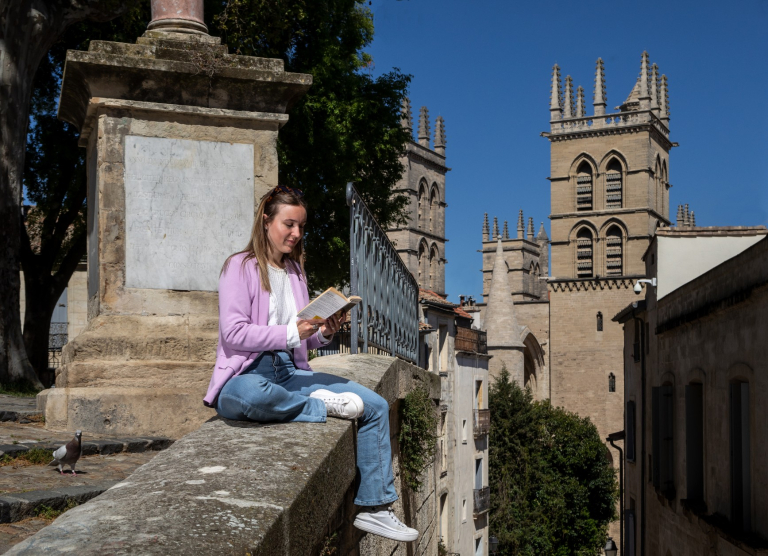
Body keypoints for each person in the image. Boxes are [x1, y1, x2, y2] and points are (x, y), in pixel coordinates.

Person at [203, 185, 418, 543]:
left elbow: (304, 337)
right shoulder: (239, 267)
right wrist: (292, 332)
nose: (296, 234)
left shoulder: (296, 273)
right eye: (289, 224)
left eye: (301, 227)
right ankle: (317, 405)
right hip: (248, 373)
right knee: (247, 395)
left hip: (290, 370)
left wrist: (325, 332)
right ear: (266, 220)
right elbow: (235, 334)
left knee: (376, 406)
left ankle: (376, 509)